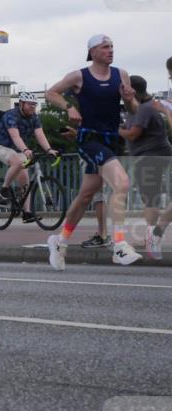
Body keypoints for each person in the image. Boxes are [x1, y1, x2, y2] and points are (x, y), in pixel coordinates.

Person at [45, 34, 141, 269]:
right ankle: (118, 246)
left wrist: (129, 100)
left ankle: (60, 241)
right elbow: (51, 93)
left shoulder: (121, 74)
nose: (110, 50)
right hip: (89, 140)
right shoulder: (80, 76)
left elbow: (134, 109)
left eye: (112, 47)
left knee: (86, 195)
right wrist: (69, 107)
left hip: (111, 140)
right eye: (105, 47)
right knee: (122, 183)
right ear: (93, 52)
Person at [119, 75, 172, 260]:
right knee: (152, 198)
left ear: (131, 90)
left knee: (151, 199)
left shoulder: (143, 109)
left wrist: (117, 130)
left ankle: (154, 235)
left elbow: (133, 134)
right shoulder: (143, 106)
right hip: (160, 155)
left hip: (149, 158)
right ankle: (153, 235)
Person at [0, 91, 58, 221]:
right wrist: (26, 149)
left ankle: (26, 213)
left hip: (18, 149)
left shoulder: (34, 117)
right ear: (21, 104)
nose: (32, 107)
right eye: (29, 104)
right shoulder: (11, 115)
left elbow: (40, 134)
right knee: (17, 162)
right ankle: (3, 191)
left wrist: (49, 149)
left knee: (24, 178)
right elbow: (15, 136)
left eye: (34, 104)